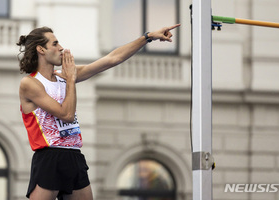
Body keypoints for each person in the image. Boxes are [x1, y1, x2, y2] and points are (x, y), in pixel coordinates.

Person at [17, 23, 180, 200]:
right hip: (49, 157)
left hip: (73, 155)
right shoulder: (30, 84)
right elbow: (66, 114)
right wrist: (71, 79)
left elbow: (112, 59)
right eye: (55, 44)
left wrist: (147, 37)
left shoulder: (64, 76)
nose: (61, 48)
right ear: (41, 49)